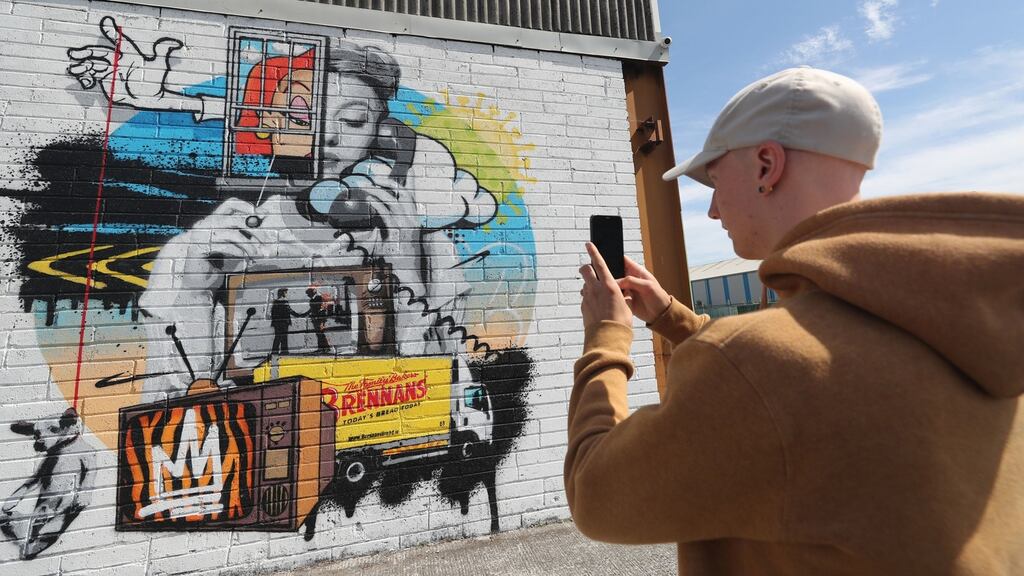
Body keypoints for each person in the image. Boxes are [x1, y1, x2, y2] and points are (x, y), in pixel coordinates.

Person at [568, 66, 1024, 574]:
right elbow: (806, 368)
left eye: (715, 181)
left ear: (766, 165)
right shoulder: (958, 319)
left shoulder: (758, 365)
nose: (713, 211)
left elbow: (595, 493)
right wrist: (670, 316)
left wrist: (605, 337)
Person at [66, 17, 502, 400]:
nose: (329, 139)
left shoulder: (423, 241)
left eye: (352, 121)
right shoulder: (224, 235)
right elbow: (173, 398)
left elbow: (444, 387)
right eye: (305, 116)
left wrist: (406, 267)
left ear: (383, 134)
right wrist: (194, 291)